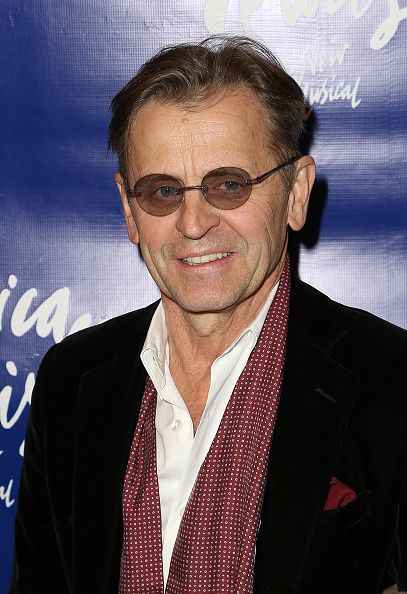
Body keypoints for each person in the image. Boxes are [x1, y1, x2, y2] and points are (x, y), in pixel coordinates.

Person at [10, 36, 407, 594]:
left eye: (228, 185)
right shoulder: (72, 381)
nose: (193, 224)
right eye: (163, 191)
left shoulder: (394, 382)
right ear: (129, 210)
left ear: (296, 193)